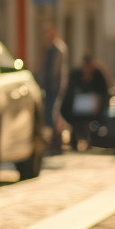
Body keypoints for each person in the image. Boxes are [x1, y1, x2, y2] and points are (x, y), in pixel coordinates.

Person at [62, 53, 111, 150]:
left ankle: (93, 139)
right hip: (77, 108)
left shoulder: (98, 75)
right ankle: (75, 139)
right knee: (71, 114)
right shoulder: (76, 75)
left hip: (95, 107)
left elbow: (104, 92)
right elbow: (69, 92)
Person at [38, 25, 68, 154]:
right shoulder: (50, 48)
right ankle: (55, 140)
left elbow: (55, 69)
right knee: (50, 112)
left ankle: (57, 139)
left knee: (53, 112)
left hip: (54, 85)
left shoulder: (58, 49)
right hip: (50, 85)